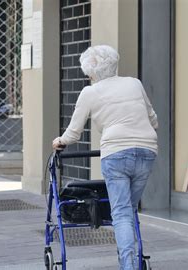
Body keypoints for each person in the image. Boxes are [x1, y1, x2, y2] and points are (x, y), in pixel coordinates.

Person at [52, 45, 158, 270]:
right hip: (147, 151)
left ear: (91, 73)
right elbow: (153, 119)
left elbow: (73, 133)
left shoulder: (90, 92)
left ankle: (128, 266)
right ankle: (129, 262)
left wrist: (59, 141)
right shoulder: (134, 83)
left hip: (116, 153)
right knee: (128, 210)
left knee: (120, 213)